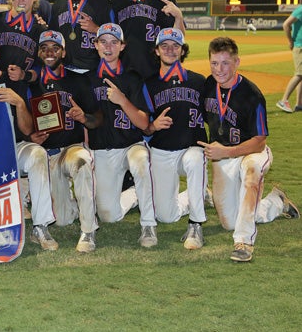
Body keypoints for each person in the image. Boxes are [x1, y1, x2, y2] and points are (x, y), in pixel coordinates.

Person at [198, 36, 299, 262]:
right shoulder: (207, 85)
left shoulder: (252, 94)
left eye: (225, 63)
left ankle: (243, 242)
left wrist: (227, 152)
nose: (219, 69)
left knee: (252, 175)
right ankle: (275, 202)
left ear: (237, 62)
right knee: (229, 222)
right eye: (214, 63)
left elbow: (260, 140)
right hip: (222, 157)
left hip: (251, 151)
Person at [0, 35, 58, 251]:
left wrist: (20, 103)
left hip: (14, 145)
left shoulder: (14, 80)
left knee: (37, 154)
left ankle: (41, 225)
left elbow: (26, 130)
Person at [84, 23, 158, 248]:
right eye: (103, 41)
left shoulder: (133, 78)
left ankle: (148, 225)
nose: (108, 47)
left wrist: (122, 100)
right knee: (109, 215)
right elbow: (86, 121)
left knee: (141, 161)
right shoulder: (87, 80)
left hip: (130, 145)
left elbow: (144, 123)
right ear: (95, 45)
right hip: (103, 150)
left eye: (114, 42)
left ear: (122, 46)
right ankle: (136, 194)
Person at [30, 30, 99, 253]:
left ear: (63, 51)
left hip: (72, 147)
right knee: (62, 220)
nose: (50, 52)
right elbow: (23, 122)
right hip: (47, 153)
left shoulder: (77, 80)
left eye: (55, 48)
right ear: (39, 53)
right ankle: (77, 203)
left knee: (81, 162)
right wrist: (32, 136)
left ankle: (88, 230)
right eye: (45, 48)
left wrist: (84, 117)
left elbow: (97, 119)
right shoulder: (31, 84)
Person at [142, 28, 208, 249]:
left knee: (195, 160)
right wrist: (152, 126)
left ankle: (196, 223)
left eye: (175, 46)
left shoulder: (199, 81)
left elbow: (215, 116)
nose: (170, 50)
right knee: (166, 216)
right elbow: (143, 126)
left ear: (182, 51)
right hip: (162, 150)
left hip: (191, 147)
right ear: (157, 51)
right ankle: (197, 194)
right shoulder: (149, 84)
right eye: (165, 46)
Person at [110, 0, 185, 80]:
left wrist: (178, 16)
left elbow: (179, 38)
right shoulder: (117, 1)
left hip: (156, 73)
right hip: (126, 73)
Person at [276, 4, 302, 113]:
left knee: (301, 75)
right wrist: (290, 41)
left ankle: (299, 104)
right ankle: (283, 100)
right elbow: (286, 24)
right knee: (299, 74)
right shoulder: (300, 9)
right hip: (300, 46)